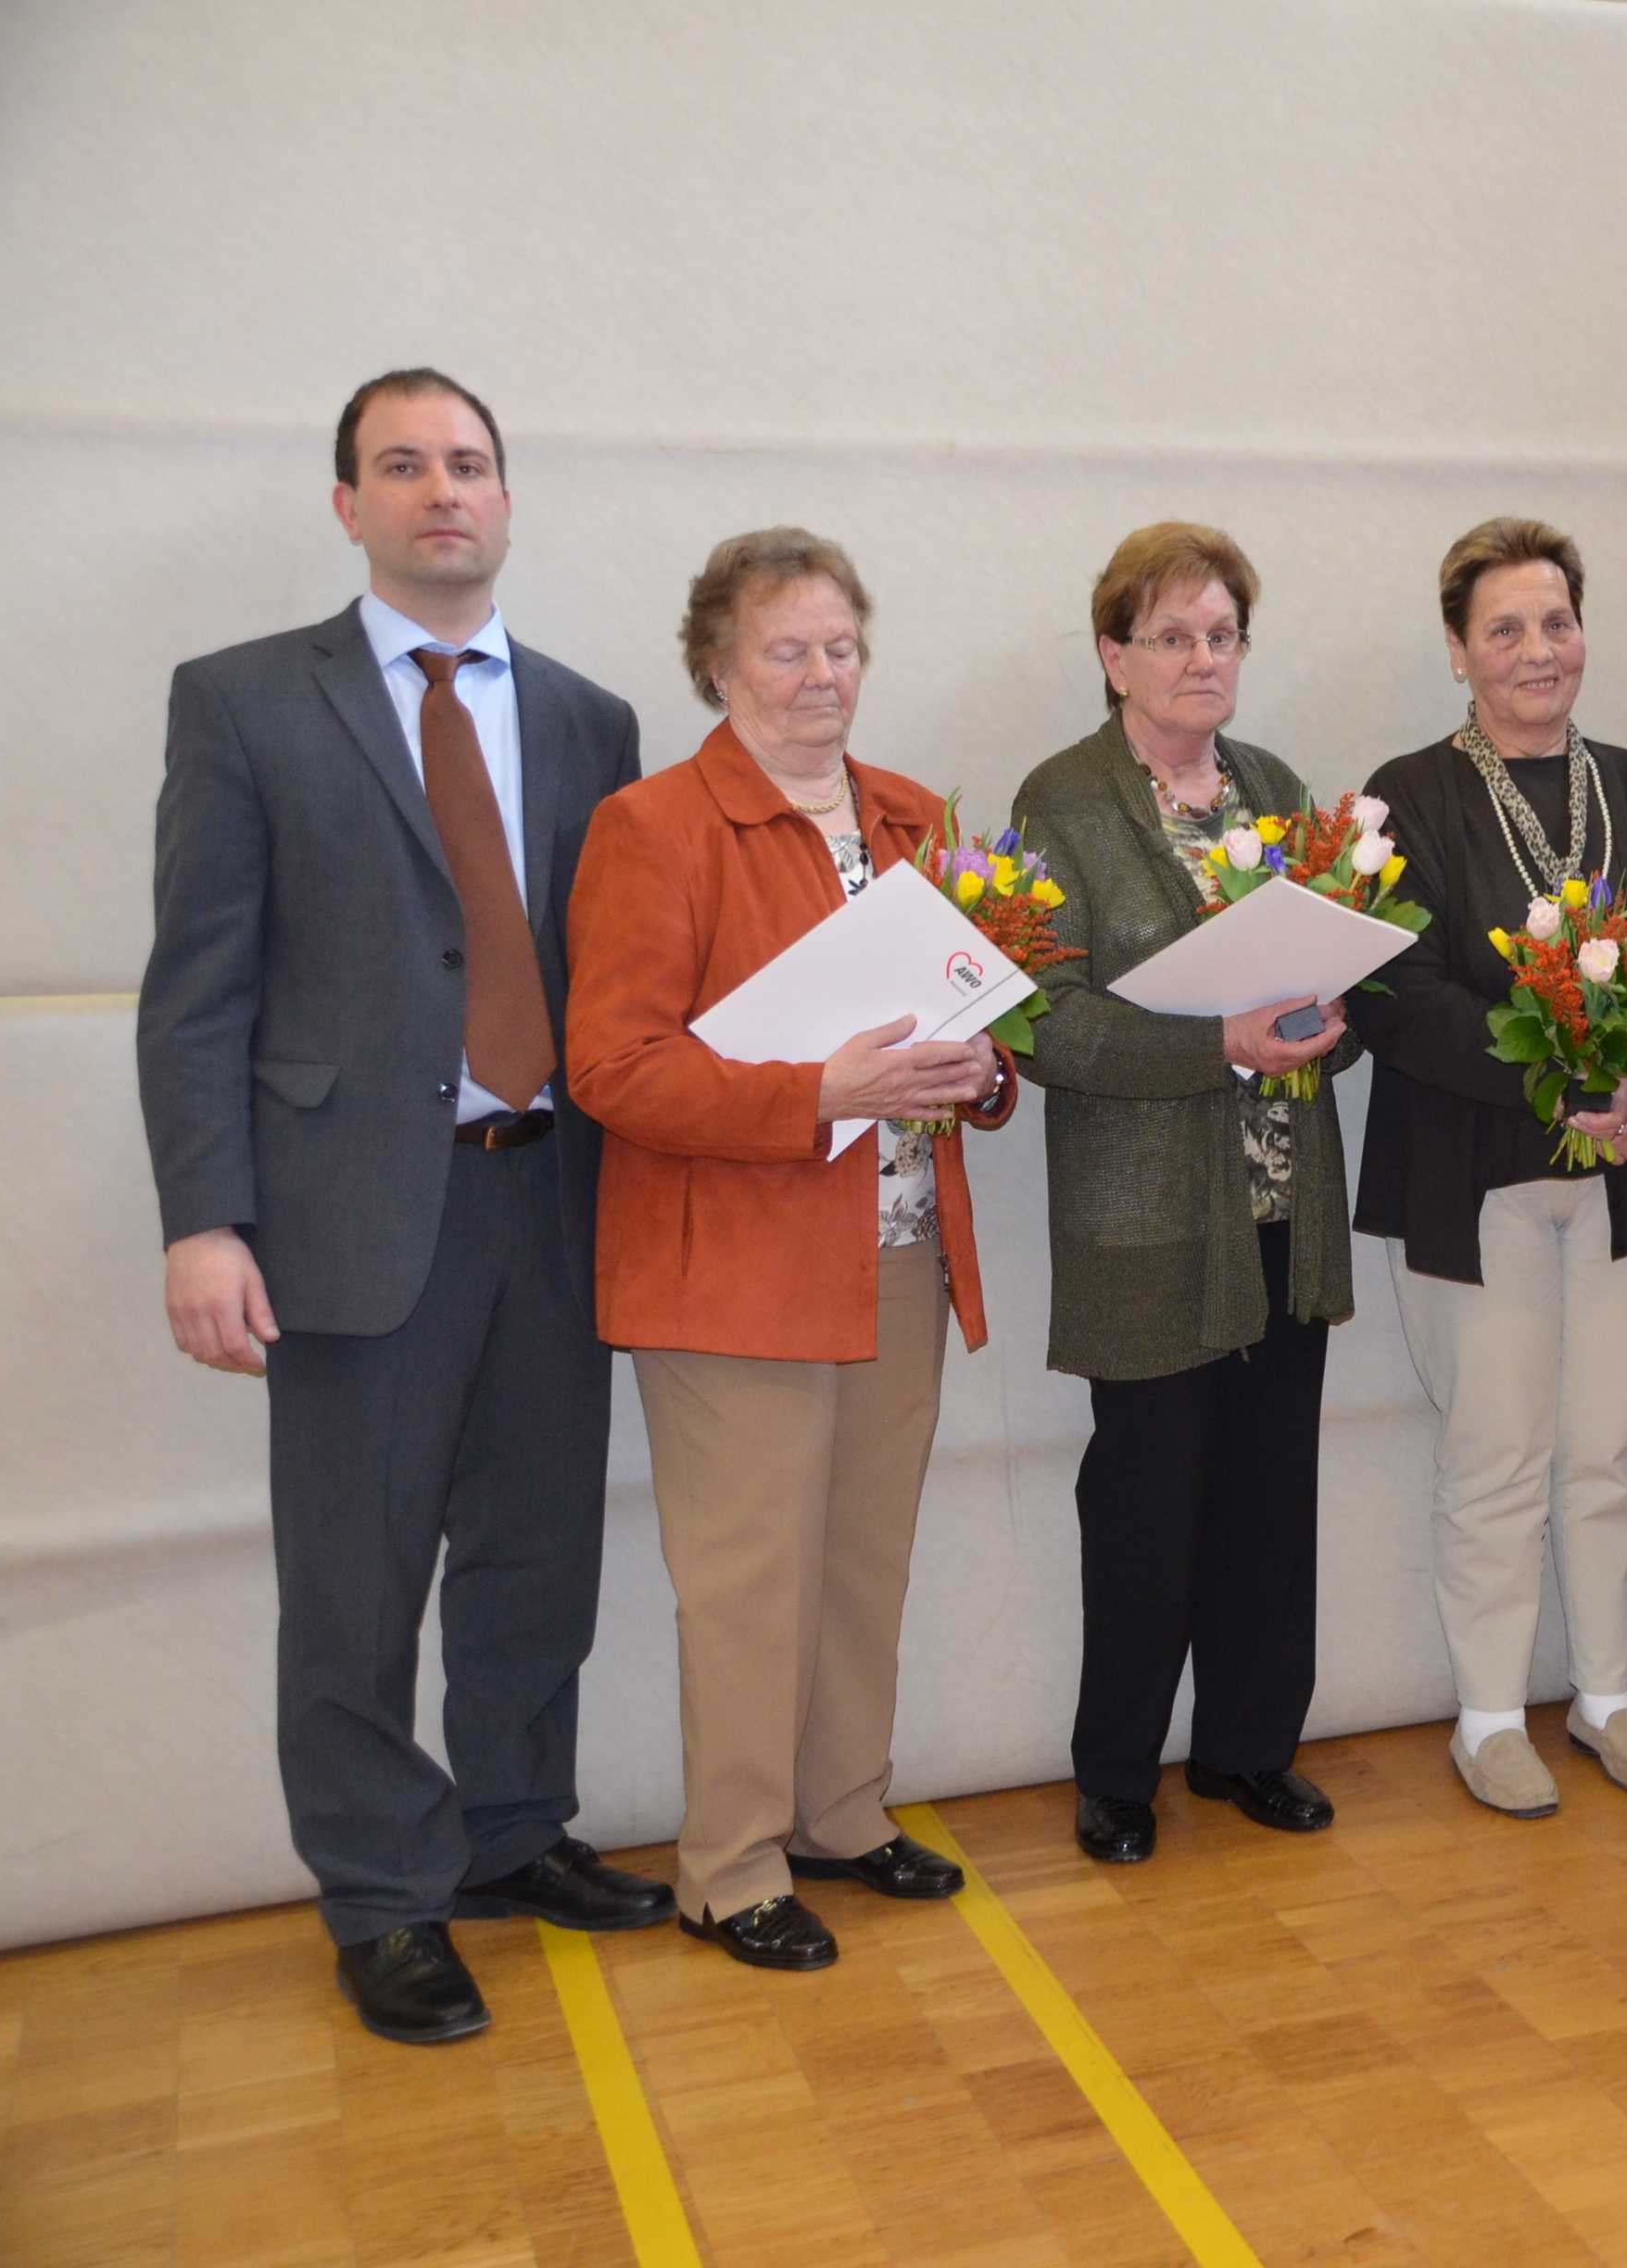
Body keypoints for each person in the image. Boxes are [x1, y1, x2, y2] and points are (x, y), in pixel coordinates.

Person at [137, 369, 661, 2046]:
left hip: (550, 1205)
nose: (444, 490)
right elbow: (195, 987)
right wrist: (204, 1216)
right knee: (354, 1585)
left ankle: (513, 1833)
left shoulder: (590, 718)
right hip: (348, 1220)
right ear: (347, 502)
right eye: (403, 465)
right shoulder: (242, 702)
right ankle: (379, 1893)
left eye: (472, 464)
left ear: (507, 501)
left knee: (534, 1557)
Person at [565, 529, 1015, 1971]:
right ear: (717, 662)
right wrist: (814, 1095)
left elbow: (977, 1032)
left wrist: (983, 1076)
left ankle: (838, 1811)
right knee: (752, 1580)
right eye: (787, 650)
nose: (822, 675)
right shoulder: (652, 828)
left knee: (861, 1563)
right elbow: (614, 1069)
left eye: (841, 648)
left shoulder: (908, 818)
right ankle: (729, 1864)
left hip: (894, 1252)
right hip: (733, 1270)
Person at [1348, 518, 1627, 1819]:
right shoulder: (1403, 795)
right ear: (1459, 649)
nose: (1537, 650)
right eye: (1505, 628)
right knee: (1498, 1451)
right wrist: (1564, 1087)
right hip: (1474, 1178)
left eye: (1556, 622)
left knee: (1612, 1448)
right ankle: (1492, 1713)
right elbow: (1398, 995)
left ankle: (1611, 1696)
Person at [1010, 523, 1350, 1868]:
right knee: (1149, 1509)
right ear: (1113, 656)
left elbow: (1332, 969)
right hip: (1145, 1223)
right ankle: (1116, 1776)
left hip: (1282, 1209)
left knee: (1272, 1499)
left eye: (1223, 635)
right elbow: (1039, 1022)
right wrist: (1217, 1044)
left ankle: (1251, 1750)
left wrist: (1332, 1013)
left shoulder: (1272, 784)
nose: (1203, 659)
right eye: (1172, 636)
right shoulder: (1064, 800)